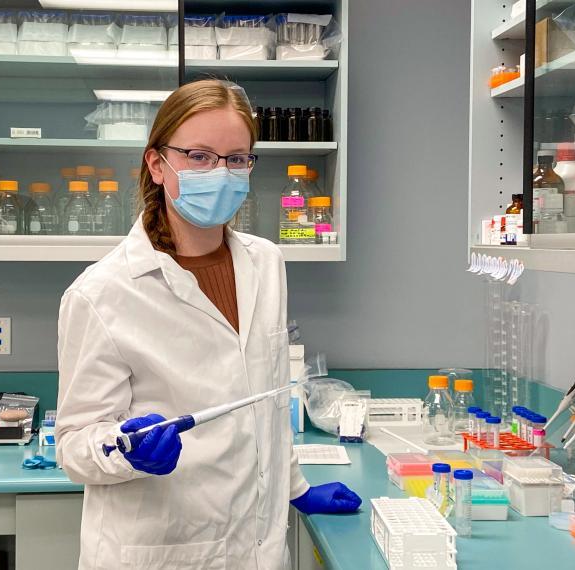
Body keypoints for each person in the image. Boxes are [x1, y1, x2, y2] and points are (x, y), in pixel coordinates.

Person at [55, 79, 361, 570]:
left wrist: (295, 487)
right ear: (158, 165)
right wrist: (126, 448)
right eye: (199, 156)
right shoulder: (102, 293)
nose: (221, 172)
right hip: (162, 551)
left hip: (258, 548)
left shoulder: (266, 264)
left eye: (236, 158)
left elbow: (267, 403)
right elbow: (74, 446)